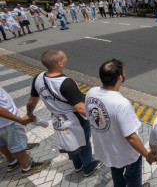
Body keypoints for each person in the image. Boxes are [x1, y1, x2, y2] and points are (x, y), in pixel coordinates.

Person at [25, 49, 103, 177]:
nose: (67, 58)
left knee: (69, 140)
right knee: (83, 142)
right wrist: (100, 121)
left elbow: (31, 102)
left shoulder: (38, 78)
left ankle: (77, 165)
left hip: (57, 119)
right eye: (64, 57)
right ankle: (88, 166)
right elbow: (80, 108)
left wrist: (30, 114)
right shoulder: (66, 83)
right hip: (75, 119)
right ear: (60, 63)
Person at [85, 59, 157, 187]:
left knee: (116, 173)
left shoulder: (91, 92)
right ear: (120, 77)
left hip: (106, 149)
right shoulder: (121, 104)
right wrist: (147, 155)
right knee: (132, 175)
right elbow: (131, 137)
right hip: (125, 153)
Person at [0, 87, 51, 177]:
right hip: (8, 122)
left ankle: (13, 161)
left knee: (2, 143)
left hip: (3, 123)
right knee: (17, 146)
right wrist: (19, 120)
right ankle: (28, 167)